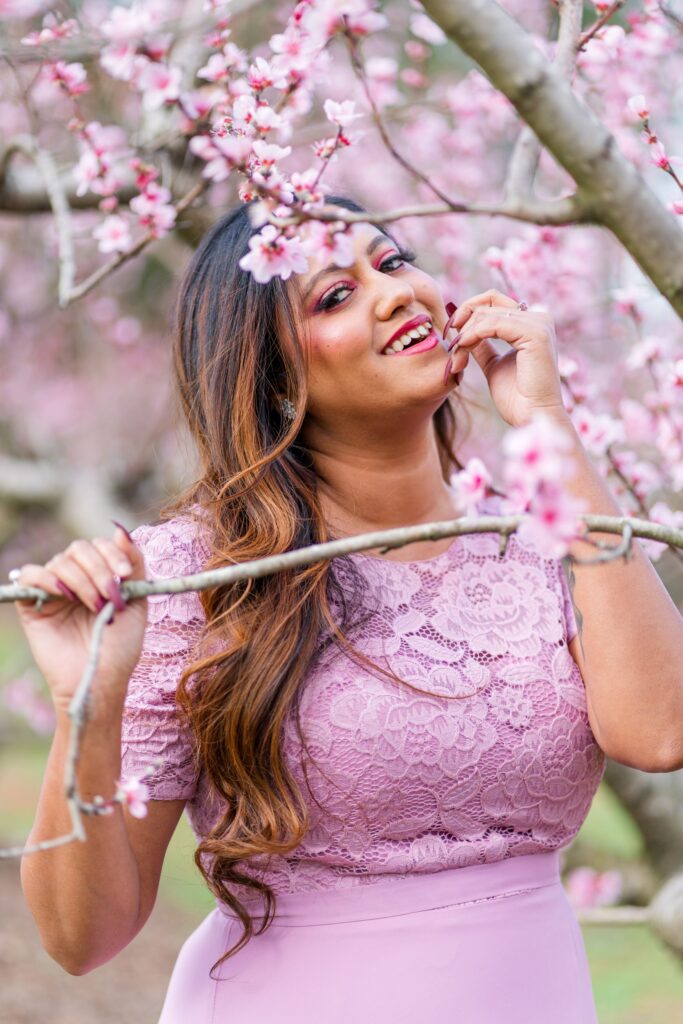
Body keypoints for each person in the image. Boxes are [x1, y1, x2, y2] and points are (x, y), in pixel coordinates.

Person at [16, 195, 606, 1022]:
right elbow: (85, 938)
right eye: (334, 294)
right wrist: (91, 702)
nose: (395, 292)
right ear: (271, 376)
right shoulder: (198, 574)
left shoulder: (544, 534)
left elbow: (662, 733)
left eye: (393, 261)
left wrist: (549, 430)